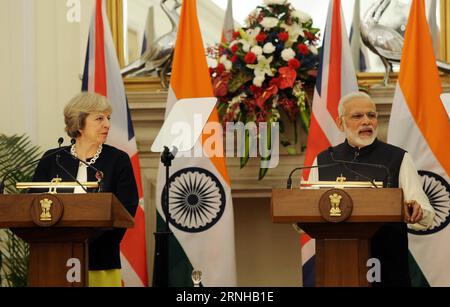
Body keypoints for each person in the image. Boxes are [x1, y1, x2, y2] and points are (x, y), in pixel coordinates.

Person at [308, 91, 435, 286]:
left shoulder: (398, 158)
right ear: (340, 123)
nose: (367, 121)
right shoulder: (324, 160)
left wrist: (415, 211)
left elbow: (426, 215)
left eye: (372, 115)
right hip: (338, 266)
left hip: (388, 266)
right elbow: (307, 211)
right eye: (358, 116)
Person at [31, 92, 139, 287]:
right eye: (99, 118)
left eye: (108, 118)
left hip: (101, 261)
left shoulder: (118, 160)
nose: (107, 124)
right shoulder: (52, 159)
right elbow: (33, 205)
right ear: (79, 123)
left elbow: (126, 210)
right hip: (54, 260)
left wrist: (85, 239)